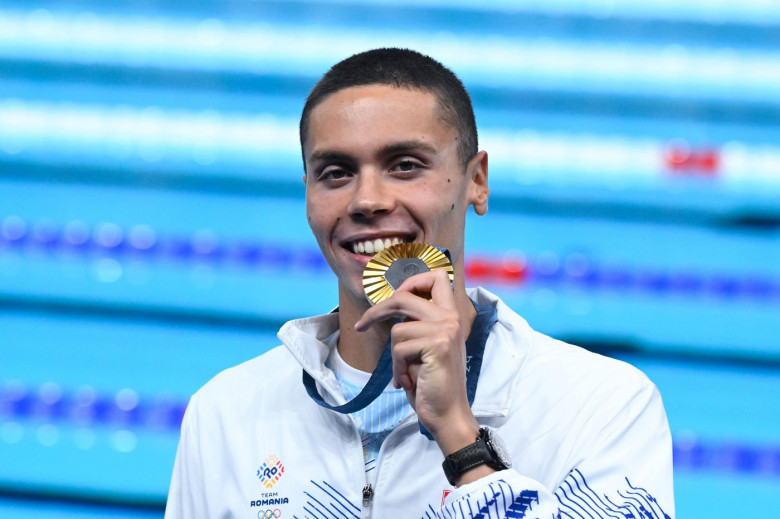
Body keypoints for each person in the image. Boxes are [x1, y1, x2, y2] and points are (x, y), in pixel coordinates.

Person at [165, 48, 674, 519]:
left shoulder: (598, 405)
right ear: (308, 195)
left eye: (405, 165)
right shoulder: (229, 412)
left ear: (477, 180)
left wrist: (460, 437)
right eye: (336, 173)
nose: (368, 200)